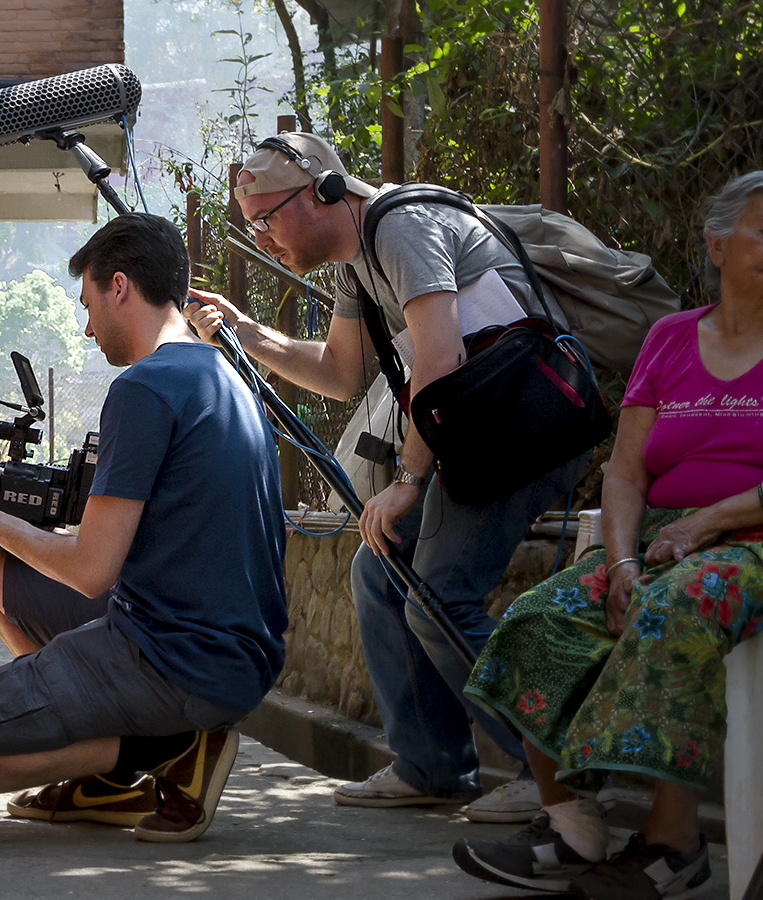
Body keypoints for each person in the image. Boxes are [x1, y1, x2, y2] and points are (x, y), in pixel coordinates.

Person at [186, 132, 581, 822]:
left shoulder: (402, 226)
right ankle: (431, 764)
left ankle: (545, 770)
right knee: (381, 573)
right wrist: (244, 333)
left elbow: (441, 354)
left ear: (320, 193)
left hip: (530, 425)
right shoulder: (355, 262)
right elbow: (340, 375)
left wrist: (406, 478)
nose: (262, 237)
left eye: (266, 217)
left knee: (435, 592)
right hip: (481, 429)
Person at [0, 213, 288, 844]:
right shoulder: (226, 375)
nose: (85, 328)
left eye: (87, 304)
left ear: (119, 287)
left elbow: (90, 570)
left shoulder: (144, 387)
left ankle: (158, 749)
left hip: (173, 659)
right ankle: (120, 762)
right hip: (240, 653)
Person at [450, 172, 763, 900]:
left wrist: (708, 523)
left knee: (671, 607)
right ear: (717, 245)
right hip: (658, 536)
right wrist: (620, 558)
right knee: (539, 616)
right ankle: (571, 826)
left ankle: (673, 845)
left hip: (748, 539)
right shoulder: (671, 339)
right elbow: (624, 473)